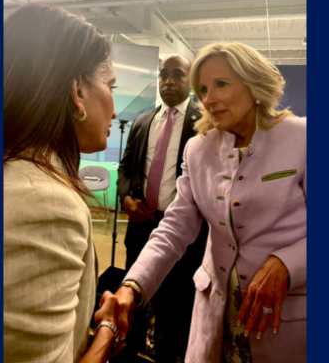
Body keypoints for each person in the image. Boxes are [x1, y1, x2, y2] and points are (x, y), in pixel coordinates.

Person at [116, 42, 307, 363]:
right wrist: (132, 286)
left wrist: (287, 263)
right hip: (215, 317)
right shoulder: (198, 150)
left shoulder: (301, 138)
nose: (208, 98)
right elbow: (174, 229)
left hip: (281, 320)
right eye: (203, 88)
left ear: (252, 81)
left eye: (221, 84)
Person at [3, 4, 123, 363]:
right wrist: (107, 330)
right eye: (110, 85)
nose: (115, 111)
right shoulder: (46, 203)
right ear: (78, 93)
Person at [115, 54, 209, 362]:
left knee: (173, 310)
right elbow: (126, 167)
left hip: (184, 237)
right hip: (140, 227)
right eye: (163, 74)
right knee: (133, 302)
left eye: (177, 74)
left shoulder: (205, 124)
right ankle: (127, 354)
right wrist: (127, 196)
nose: (168, 80)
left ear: (190, 80)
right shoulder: (143, 121)